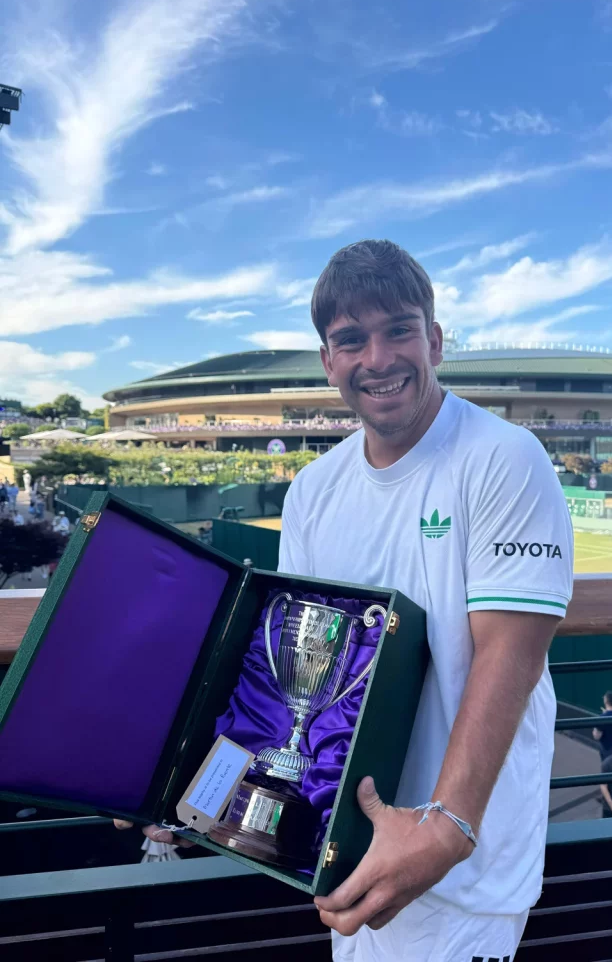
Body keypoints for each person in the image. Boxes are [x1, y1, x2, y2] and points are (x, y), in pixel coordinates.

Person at [118, 239, 575, 962]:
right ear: (328, 361)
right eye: (350, 340)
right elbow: (292, 681)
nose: (379, 358)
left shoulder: (505, 456)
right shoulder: (313, 492)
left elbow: (509, 655)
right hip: (348, 847)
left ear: (435, 340)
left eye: (399, 329)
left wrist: (446, 826)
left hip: (461, 864)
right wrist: (188, 781)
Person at [592, 691, 612, 761]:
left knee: (607, 768)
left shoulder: (602, 718)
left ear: (605, 701)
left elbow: (596, 736)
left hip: (606, 748)